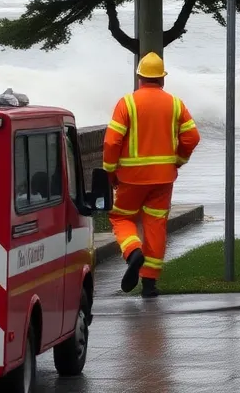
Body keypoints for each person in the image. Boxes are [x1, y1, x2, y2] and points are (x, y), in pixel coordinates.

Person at [102, 51, 200, 298]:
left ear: (140, 78)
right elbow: (192, 137)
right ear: (162, 79)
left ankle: (133, 252)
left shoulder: (127, 103)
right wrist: (178, 160)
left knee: (121, 218)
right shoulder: (175, 104)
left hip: (131, 178)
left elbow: (112, 142)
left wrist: (110, 172)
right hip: (163, 179)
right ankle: (149, 285)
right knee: (156, 225)